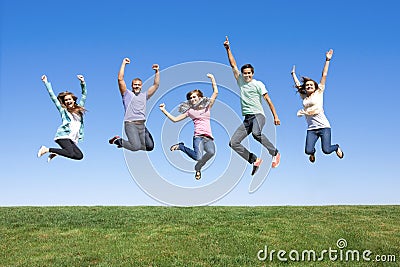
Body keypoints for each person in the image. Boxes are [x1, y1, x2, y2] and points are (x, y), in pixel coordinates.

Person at [223, 36, 281, 175]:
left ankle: (275, 153)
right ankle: (254, 160)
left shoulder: (258, 84)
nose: (247, 75)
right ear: (242, 74)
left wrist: (275, 116)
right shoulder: (240, 81)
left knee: (256, 133)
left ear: (252, 74)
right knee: (233, 142)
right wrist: (228, 49)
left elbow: (268, 100)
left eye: (249, 73)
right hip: (247, 118)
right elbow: (233, 65)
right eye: (245, 73)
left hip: (258, 115)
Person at [159, 73, 218, 180]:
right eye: (190, 98)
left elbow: (215, 92)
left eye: (194, 96)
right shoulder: (190, 111)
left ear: (200, 97)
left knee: (211, 152)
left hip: (208, 137)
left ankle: (198, 167)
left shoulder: (207, 107)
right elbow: (175, 119)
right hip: (198, 137)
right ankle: (181, 147)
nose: (192, 99)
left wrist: (212, 78)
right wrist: (164, 110)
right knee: (198, 157)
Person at [291, 49, 344, 163]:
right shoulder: (304, 97)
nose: (309, 86)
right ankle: (312, 153)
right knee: (308, 150)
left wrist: (327, 60)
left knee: (326, 150)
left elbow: (324, 74)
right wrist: (293, 74)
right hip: (312, 129)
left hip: (324, 127)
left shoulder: (319, 92)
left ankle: (336, 147)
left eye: (311, 85)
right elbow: (298, 85)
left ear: (315, 87)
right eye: (307, 85)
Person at [108, 58, 160, 152]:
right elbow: (120, 79)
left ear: (141, 86)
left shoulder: (145, 96)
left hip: (142, 125)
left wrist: (157, 71)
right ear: (132, 86)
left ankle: (126, 144)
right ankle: (118, 140)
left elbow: (156, 85)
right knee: (135, 147)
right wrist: (123, 63)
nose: (136, 86)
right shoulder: (127, 94)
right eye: (135, 84)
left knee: (150, 147)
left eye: (138, 85)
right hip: (130, 124)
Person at [37, 74, 87, 162]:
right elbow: (53, 97)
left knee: (79, 156)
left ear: (73, 100)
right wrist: (46, 83)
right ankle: (46, 149)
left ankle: (58, 152)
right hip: (63, 135)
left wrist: (82, 82)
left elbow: (84, 95)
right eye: (66, 100)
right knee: (70, 153)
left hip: (72, 137)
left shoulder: (79, 108)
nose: (68, 101)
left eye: (69, 99)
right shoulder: (63, 110)